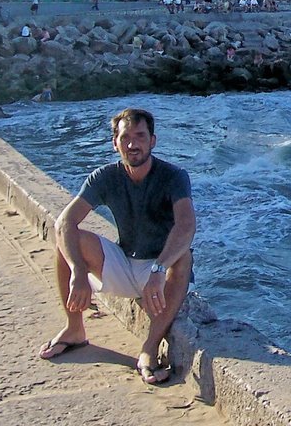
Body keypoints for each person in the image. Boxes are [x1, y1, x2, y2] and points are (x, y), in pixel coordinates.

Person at [38, 108, 196, 386]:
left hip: (158, 269)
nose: (133, 144)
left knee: (184, 258)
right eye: (125, 138)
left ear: (153, 141)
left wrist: (159, 269)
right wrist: (78, 271)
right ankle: (74, 328)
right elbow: (65, 222)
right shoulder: (105, 177)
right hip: (124, 262)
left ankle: (149, 348)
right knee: (68, 240)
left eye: (140, 136)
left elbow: (186, 226)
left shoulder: (174, 176)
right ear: (115, 143)